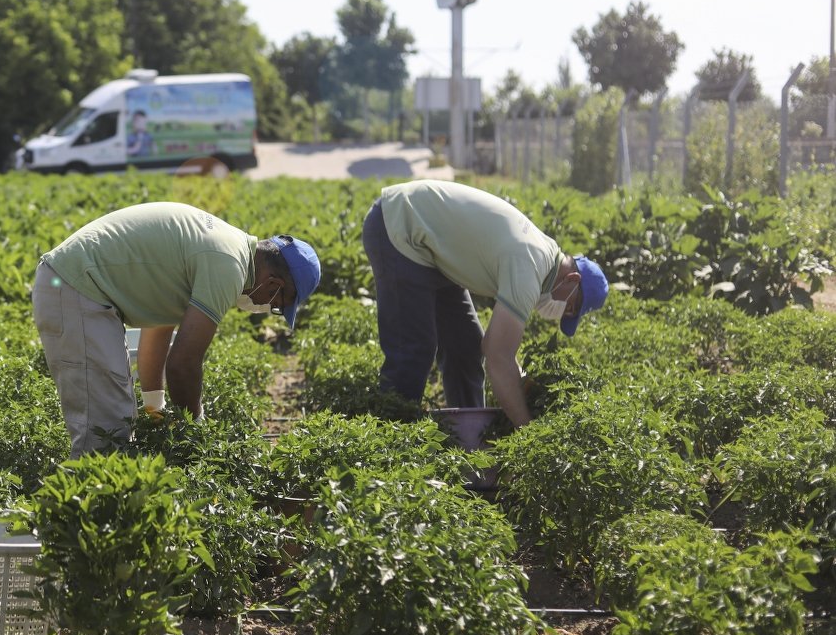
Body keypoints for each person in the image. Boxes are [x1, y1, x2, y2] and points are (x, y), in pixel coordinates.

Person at [33, 201, 320, 457]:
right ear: (274, 285)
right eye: (279, 304)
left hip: (78, 288)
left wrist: (154, 408)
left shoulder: (227, 249)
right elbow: (183, 363)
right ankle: (76, 513)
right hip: (75, 288)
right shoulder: (228, 265)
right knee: (105, 439)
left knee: (119, 423)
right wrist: (196, 435)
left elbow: (157, 331)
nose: (268, 308)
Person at [362, 179, 608, 430]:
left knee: (465, 346)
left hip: (433, 246)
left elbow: (496, 352)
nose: (560, 312)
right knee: (414, 350)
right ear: (572, 279)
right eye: (570, 306)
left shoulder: (542, 258)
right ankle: (390, 444)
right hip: (400, 225)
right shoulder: (530, 267)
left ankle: (469, 434)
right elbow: (498, 356)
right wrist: (528, 431)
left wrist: (522, 382)